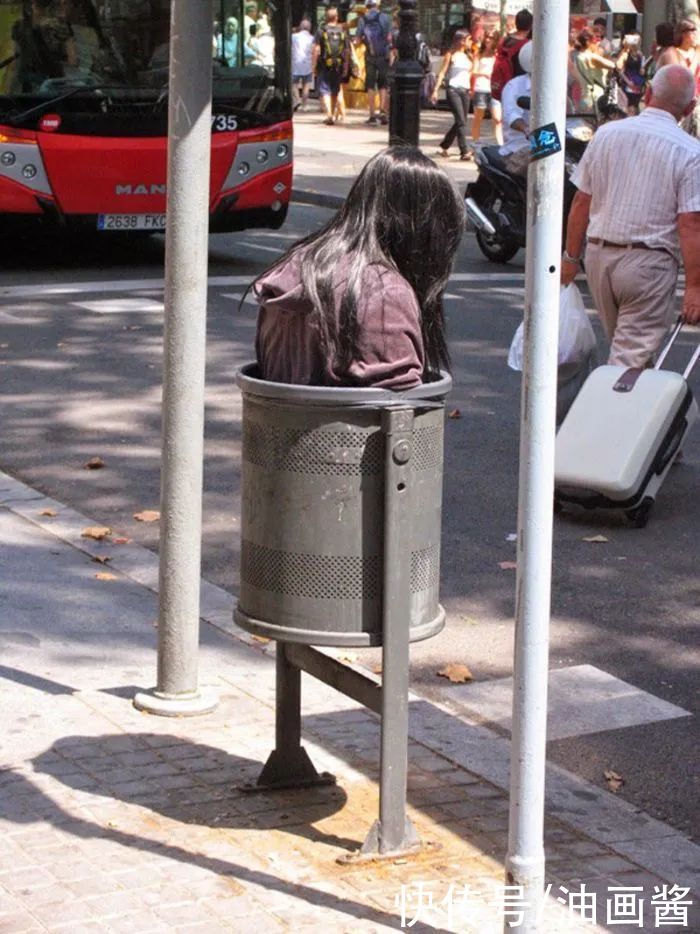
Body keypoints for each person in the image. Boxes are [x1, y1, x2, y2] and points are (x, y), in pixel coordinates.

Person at [253, 146, 466, 388]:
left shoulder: (293, 267)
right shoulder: (386, 293)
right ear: (422, 230)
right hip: (355, 427)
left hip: (281, 425)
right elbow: (399, 414)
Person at [561, 65, 700, 369]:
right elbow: (690, 223)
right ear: (690, 108)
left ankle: (624, 408)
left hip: (599, 258)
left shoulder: (606, 134)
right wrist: (694, 287)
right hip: (648, 265)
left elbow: (581, 201)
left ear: (648, 94)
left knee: (627, 351)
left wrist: (571, 258)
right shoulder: (691, 152)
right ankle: (608, 414)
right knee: (628, 361)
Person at [431, 29, 473, 160]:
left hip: (465, 91)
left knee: (461, 121)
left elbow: (469, 73)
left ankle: (445, 145)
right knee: (461, 121)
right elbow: (442, 73)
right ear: (462, 41)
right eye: (469, 40)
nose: (471, 42)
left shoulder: (469, 56)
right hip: (453, 90)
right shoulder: (450, 55)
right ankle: (464, 151)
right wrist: (435, 90)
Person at [498, 40, 532, 176]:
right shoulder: (515, 86)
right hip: (519, 148)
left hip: (550, 145)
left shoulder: (558, 86)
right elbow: (511, 115)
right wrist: (526, 129)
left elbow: (570, 111)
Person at [355, 0, 392, 125]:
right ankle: (383, 112)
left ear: (367, 5)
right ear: (378, 4)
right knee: (383, 84)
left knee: (370, 84)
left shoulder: (363, 19)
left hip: (370, 56)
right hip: (383, 55)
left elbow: (358, 39)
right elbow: (389, 38)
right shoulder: (386, 17)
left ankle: (372, 115)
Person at [313, 8, 349, 125]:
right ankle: (332, 115)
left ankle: (329, 114)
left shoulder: (321, 31)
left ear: (327, 18)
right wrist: (346, 66)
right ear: (336, 18)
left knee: (325, 90)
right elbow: (347, 50)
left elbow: (316, 49)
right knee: (335, 90)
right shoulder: (343, 31)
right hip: (338, 64)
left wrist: (313, 65)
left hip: (324, 64)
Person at [489, 8, 532, 102]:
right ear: (531, 25)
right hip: (521, 87)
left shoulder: (504, 41)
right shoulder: (528, 44)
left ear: (516, 23)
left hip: (505, 84)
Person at [573, 28, 615, 115]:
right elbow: (613, 65)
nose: (597, 44)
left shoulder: (577, 56)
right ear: (589, 42)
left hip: (584, 97)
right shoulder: (592, 57)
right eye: (595, 41)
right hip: (595, 97)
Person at [471, 31, 501, 144]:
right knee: (478, 118)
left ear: (496, 40)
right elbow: (473, 71)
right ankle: (475, 143)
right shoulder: (479, 53)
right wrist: (484, 74)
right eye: (487, 37)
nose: (488, 40)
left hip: (494, 89)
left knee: (497, 119)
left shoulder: (497, 54)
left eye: (491, 38)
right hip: (481, 87)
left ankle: (500, 145)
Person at [616, 33, 645, 114]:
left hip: (637, 82)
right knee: (628, 104)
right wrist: (627, 81)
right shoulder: (625, 54)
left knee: (635, 104)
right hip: (628, 81)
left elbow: (641, 69)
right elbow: (619, 69)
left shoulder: (639, 54)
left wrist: (642, 70)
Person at [291, 19, 314, 111]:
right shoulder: (312, 38)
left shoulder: (293, 36)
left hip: (296, 63)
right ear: (309, 28)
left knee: (293, 84)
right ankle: (304, 105)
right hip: (307, 64)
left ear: (300, 27)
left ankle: (296, 100)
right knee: (306, 85)